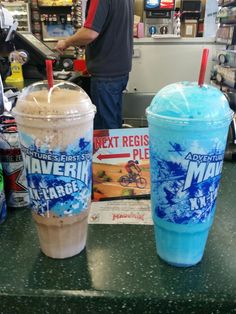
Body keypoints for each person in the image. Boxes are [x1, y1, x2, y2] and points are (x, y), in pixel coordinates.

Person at [55, 0, 134, 130]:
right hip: (120, 68)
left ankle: (108, 151)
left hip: (106, 74)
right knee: (114, 121)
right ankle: (114, 149)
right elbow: (111, 28)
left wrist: (66, 42)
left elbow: (90, 33)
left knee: (105, 129)